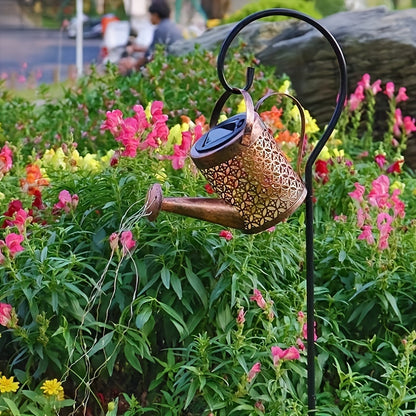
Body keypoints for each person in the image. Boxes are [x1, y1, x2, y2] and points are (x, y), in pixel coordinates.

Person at [118, 0, 183, 75]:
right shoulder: (172, 26)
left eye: (150, 15)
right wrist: (138, 49)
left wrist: (133, 66)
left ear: (155, 15)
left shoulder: (160, 29)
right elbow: (158, 47)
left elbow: (149, 55)